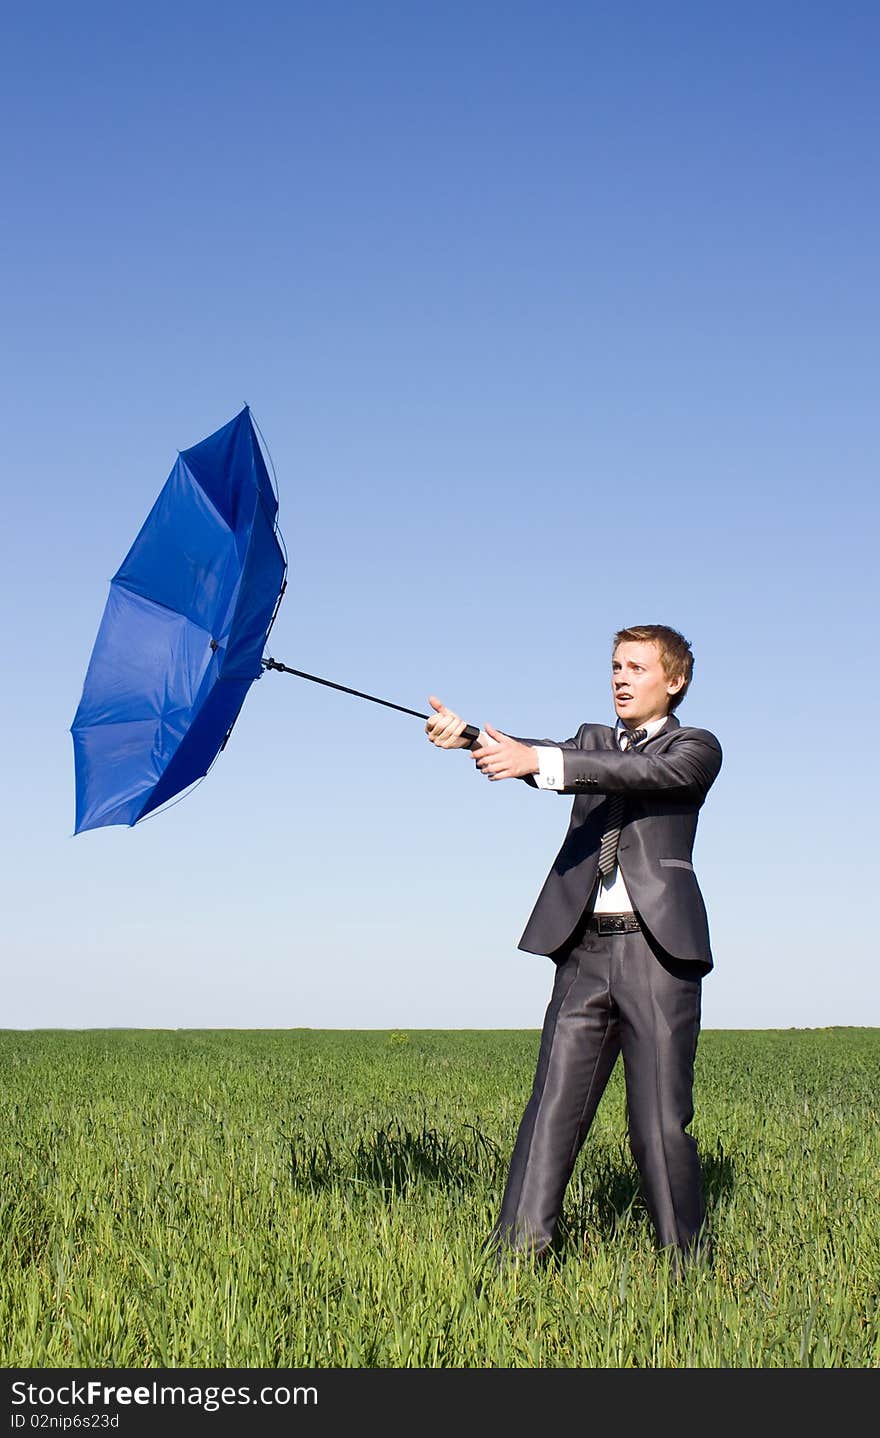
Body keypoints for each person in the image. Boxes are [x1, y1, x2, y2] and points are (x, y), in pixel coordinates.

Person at [425, 624, 722, 1272]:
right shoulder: (590, 741)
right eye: (615, 666)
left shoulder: (696, 747)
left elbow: (641, 772)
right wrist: (472, 737)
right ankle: (515, 1260)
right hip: (582, 950)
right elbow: (542, 754)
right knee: (552, 1110)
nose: (620, 677)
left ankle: (686, 1269)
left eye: (636, 668)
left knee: (656, 1126)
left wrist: (542, 763)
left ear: (673, 681)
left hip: (656, 955)